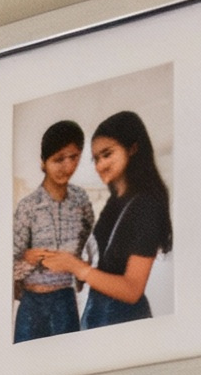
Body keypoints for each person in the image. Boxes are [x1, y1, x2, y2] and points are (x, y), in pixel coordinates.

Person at [36, 108, 172, 329]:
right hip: (96, 318)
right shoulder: (115, 202)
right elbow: (104, 264)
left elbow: (132, 290)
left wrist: (78, 268)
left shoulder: (146, 205)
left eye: (107, 154)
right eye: (96, 159)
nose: (100, 166)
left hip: (126, 325)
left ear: (133, 148)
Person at [12, 119, 93, 342]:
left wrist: (79, 264)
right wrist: (28, 260)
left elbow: (89, 243)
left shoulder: (81, 200)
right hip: (32, 304)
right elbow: (6, 268)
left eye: (74, 157)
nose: (67, 167)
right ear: (43, 162)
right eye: (58, 159)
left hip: (66, 301)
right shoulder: (28, 207)